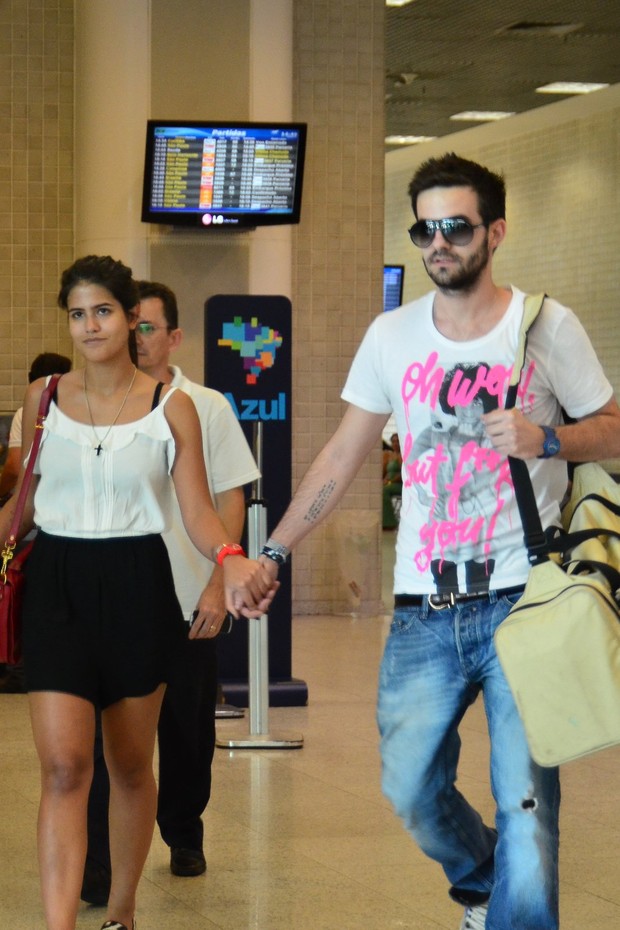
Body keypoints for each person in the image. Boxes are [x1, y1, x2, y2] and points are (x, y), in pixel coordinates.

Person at [254, 153, 620, 930]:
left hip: (527, 595)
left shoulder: (544, 326)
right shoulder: (392, 335)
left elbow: (615, 428)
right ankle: (487, 885)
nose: (439, 241)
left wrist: (545, 439)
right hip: (425, 604)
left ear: (496, 231)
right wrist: (274, 551)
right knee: (410, 788)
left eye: (456, 226)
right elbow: (341, 456)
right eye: (426, 227)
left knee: (527, 802)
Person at [0, 254, 277, 930]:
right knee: (65, 768)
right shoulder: (43, 399)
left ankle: (122, 910)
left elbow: (199, 511)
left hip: (138, 586)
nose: (89, 325)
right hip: (58, 589)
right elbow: (23, 507)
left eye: (102, 311)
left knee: (127, 765)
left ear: (130, 319)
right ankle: (59, 923)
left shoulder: (171, 407)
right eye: (77, 313)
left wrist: (230, 560)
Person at [81, 280, 260, 905]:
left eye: (148, 326)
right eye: (130, 323)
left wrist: (218, 584)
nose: (136, 334)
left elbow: (230, 496)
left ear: (174, 336)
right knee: (108, 740)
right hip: (114, 602)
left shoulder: (205, 405)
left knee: (186, 733)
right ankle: (97, 864)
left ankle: (184, 830)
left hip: (188, 596)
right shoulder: (93, 404)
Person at [0, 352, 72, 693]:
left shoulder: (30, 410)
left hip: (38, 532)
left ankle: (18, 669)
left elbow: (17, 470)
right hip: (85, 544)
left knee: (22, 595)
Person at [0, 353, 72, 503]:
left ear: (30, 378)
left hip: (37, 503)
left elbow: (15, 467)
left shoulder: (26, 413)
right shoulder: (79, 413)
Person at [382, 432, 402, 529]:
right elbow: (387, 473)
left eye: (398, 441)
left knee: (384, 491)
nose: (395, 444)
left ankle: (389, 523)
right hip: (390, 483)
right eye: (393, 441)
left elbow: (403, 474)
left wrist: (390, 481)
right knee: (379, 489)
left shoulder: (403, 455)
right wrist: (384, 481)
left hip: (399, 484)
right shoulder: (390, 455)